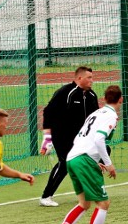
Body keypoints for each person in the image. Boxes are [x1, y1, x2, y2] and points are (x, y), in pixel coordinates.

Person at [47, 85, 122, 224]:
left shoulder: (95, 114)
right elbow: (98, 139)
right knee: (103, 203)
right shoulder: (111, 115)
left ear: (104, 99)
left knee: (84, 203)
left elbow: (81, 137)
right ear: (121, 100)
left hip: (72, 158)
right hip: (84, 159)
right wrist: (108, 164)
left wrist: (94, 161)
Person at [39, 66, 99, 207]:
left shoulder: (91, 96)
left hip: (83, 138)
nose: (92, 80)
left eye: (92, 77)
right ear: (79, 78)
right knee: (64, 163)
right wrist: (47, 138)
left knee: (96, 156)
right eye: (89, 77)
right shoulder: (65, 92)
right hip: (62, 136)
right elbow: (48, 112)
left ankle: (88, 190)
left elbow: (95, 116)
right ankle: (46, 196)